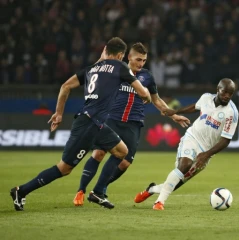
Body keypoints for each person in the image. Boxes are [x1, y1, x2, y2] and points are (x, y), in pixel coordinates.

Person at [10, 37, 151, 211]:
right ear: (122, 55)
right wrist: (147, 95)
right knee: (64, 169)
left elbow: (65, 86)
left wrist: (59, 113)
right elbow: (142, 93)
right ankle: (21, 191)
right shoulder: (120, 67)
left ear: (105, 50)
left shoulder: (92, 69)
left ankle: (98, 192)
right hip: (89, 125)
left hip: (95, 123)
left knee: (122, 151)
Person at [73, 43, 190, 208]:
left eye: (143, 60)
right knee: (99, 153)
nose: (141, 63)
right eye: (138, 59)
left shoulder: (147, 76)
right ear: (129, 57)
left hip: (134, 123)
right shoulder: (116, 71)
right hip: (111, 118)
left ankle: (98, 190)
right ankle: (81, 191)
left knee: (125, 162)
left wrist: (174, 115)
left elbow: (156, 100)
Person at [134, 78, 239, 210]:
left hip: (206, 151)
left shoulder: (232, 113)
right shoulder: (206, 97)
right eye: (225, 92)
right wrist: (175, 111)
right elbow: (195, 107)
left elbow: (226, 140)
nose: (227, 96)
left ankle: (151, 189)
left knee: (175, 184)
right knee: (185, 165)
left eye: (230, 93)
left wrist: (206, 154)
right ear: (218, 89)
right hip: (192, 137)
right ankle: (159, 203)